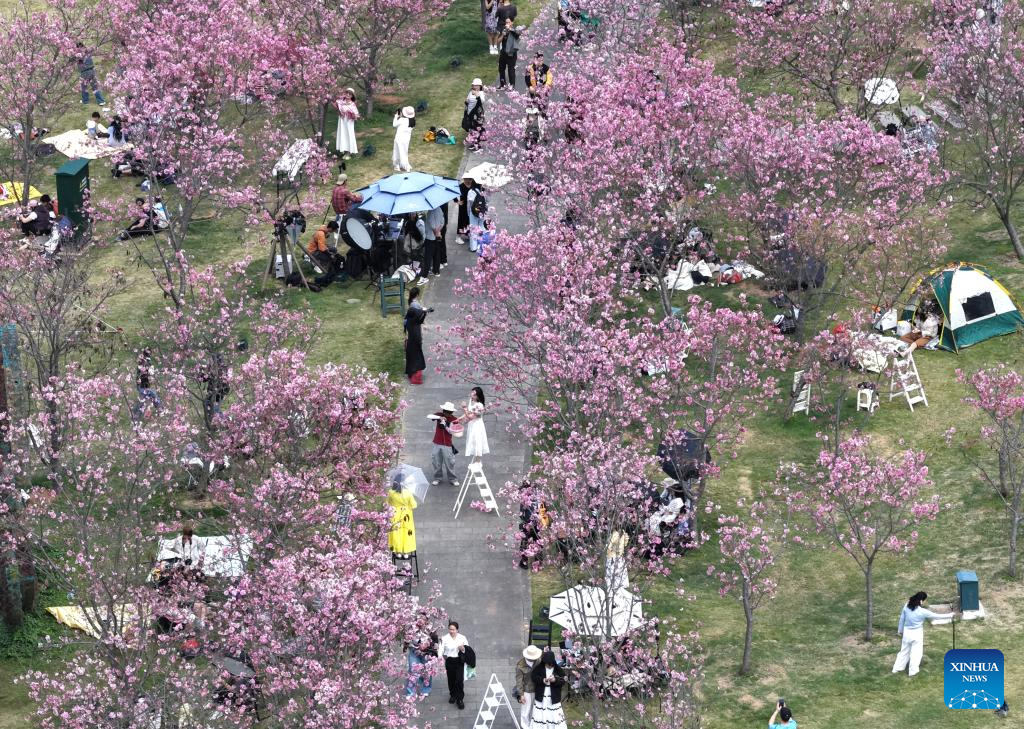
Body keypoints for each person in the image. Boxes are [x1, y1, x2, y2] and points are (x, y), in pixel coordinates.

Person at [892, 591, 956, 677]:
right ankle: (912, 672)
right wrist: (951, 615)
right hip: (917, 634)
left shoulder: (906, 606)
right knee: (916, 653)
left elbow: (902, 618)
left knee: (904, 651)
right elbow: (936, 616)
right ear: (921, 601)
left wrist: (900, 631)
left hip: (906, 633)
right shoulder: (922, 611)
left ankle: (897, 668)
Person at [530, 650, 567, 729]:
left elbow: (563, 680)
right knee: (541, 711)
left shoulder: (558, 669)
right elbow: (534, 677)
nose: (549, 666)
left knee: (553, 712)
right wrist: (543, 680)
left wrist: (555, 680)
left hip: (553, 696)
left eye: (550, 665)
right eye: (547, 664)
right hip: (541, 695)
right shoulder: (539, 668)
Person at [438, 621, 468, 709]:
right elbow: (440, 650)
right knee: (451, 680)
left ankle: (460, 699)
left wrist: (463, 648)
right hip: (450, 660)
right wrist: (440, 659)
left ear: (457, 630)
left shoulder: (462, 638)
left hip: (459, 661)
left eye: (453, 629)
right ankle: (453, 695)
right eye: (450, 629)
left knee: (459, 680)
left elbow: (467, 649)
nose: (451, 631)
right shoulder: (444, 638)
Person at [404, 287, 430, 384]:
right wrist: (424, 311)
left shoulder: (411, 305)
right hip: (415, 337)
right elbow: (420, 314)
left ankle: (412, 371)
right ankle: (415, 372)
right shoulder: (415, 305)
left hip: (412, 337)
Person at [429, 402, 459, 485]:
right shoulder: (439, 415)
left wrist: (445, 425)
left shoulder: (454, 419)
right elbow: (429, 416)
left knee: (450, 462)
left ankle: (453, 479)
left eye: (449, 412)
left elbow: (453, 431)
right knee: (436, 461)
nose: (446, 414)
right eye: (445, 411)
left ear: (451, 412)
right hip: (437, 442)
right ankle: (437, 478)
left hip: (447, 444)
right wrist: (440, 417)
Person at [387, 477, 418, 555]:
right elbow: (414, 505)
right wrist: (407, 506)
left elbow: (388, 503)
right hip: (406, 515)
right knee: (406, 532)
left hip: (395, 514)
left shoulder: (391, 492)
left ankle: (398, 551)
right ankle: (406, 552)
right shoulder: (408, 493)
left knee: (396, 532)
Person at [460, 387, 490, 464]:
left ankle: (478, 461)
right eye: (472, 393)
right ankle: (476, 460)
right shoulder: (472, 402)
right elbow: (468, 413)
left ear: (477, 396)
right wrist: (460, 419)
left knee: (478, 441)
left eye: (474, 394)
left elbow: (471, 416)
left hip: (477, 425)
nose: (472, 395)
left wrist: (464, 408)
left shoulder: (480, 405)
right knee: (473, 441)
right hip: (472, 425)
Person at [418, 204, 445, 285]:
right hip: (437, 236)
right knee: (436, 254)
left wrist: (435, 232)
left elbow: (431, 224)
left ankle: (424, 276)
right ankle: (436, 271)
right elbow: (442, 222)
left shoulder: (431, 211)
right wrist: (439, 232)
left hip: (430, 236)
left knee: (428, 257)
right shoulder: (439, 208)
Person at [515, 645, 541, 728]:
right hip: (526, 690)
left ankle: (533, 725)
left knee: (535, 709)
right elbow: (519, 682)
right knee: (526, 710)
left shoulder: (538, 661)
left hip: (537, 689)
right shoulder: (520, 666)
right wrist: (521, 695)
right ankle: (525, 726)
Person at [406, 632, 435, 697]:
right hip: (413, 651)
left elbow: (434, 639)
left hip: (426, 651)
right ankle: (410, 690)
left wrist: (427, 644)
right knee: (412, 670)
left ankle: (426, 688)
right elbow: (406, 639)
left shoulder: (429, 627)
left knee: (427, 670)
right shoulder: (411, 627)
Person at [335, 88, 359, 157]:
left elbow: (356, 115)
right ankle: (342, 149)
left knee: (348, 134)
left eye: (350, 94)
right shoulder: (340, 102)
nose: (348, 95)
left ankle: (349, 151)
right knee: (342, 133)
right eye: (347, 93)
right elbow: (337, 109)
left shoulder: (352, 104)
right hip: (342, 121)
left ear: (352, 96)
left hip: (349, 122)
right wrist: (339, 112)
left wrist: (353, 116)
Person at [462, 80, 486, 147]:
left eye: (475, 85)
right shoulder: (471, 92)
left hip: (477, 115)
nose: (473, 86)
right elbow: (467, 101)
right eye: (473, 85)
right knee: (472, 129)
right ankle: (474, 144)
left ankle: (478, 146)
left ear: (479, 86)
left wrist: (476, 95)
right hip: (470, 114)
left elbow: (481, 102)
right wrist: (466, 102)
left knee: (477, 130)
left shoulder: (481, 93)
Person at [498, 19, 521, 89]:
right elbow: (498, 41)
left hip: (511, 54)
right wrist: (502, 35)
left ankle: (512, 85)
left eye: (508, 22)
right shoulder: (503, 30)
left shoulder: (514, 31)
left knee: (511, 70)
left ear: (512, 23)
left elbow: (517, 35)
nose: (507, 23)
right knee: (501, 69)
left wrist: (510, 29)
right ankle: (502, 85)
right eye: (506, 22)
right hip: (503, 53)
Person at [392, 106, 415, 173]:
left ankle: (397, 165)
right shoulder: (412, 121)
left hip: (399, 138)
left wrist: (396, 116)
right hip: (406, 139)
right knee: (404, 152)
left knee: (397, 152)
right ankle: (405, 165)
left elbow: (394, 125)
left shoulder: (402, 120)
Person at [457, 177, 475, 244]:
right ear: (464, 179)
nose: (468, 181)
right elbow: (454, 193)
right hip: (463, 206)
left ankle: (466, 233)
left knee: (468, 220)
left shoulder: (473, 185)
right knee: (461, 220)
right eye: (467, 179)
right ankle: (458, 236)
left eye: (470, 179)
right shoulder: (461, 186)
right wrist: (457, 201)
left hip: (470, 206)